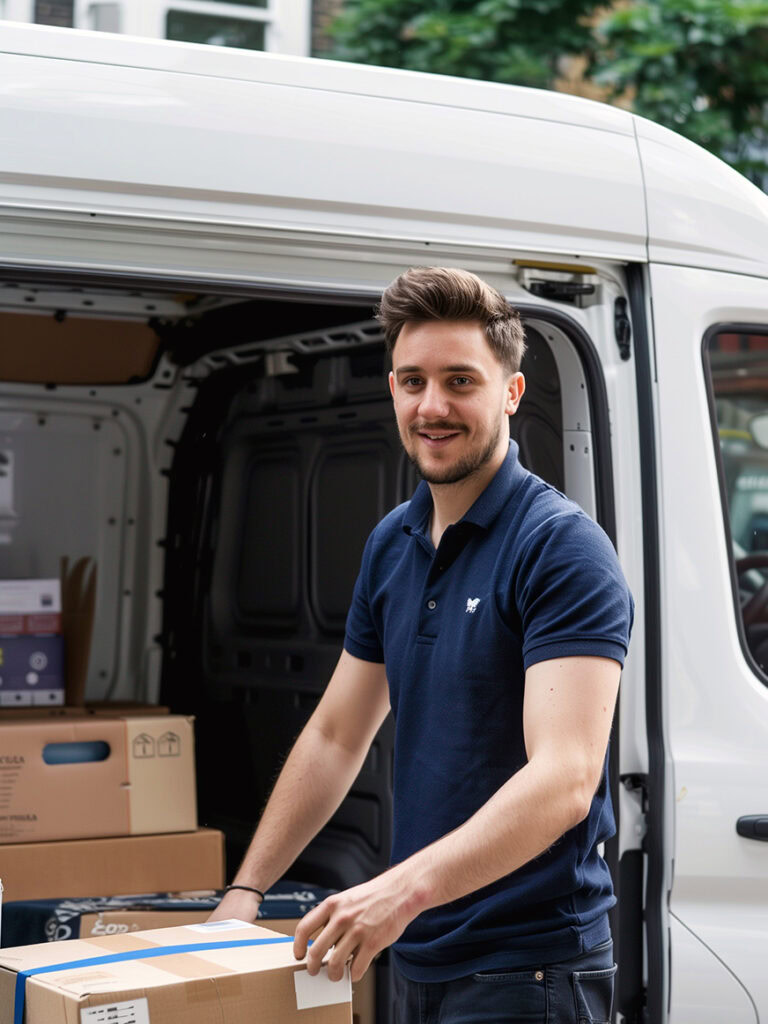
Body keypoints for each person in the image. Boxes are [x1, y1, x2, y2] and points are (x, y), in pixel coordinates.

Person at [210, 266, 634, 1023]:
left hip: (529, 972)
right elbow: (338, 735)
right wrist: (246, 894)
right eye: (412, 381)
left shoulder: (561, 548)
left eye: (460, 381)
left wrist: (399, 891)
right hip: (418, 956)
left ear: (511, 391)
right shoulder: (393, 541)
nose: (431, 406)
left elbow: (567, 777)